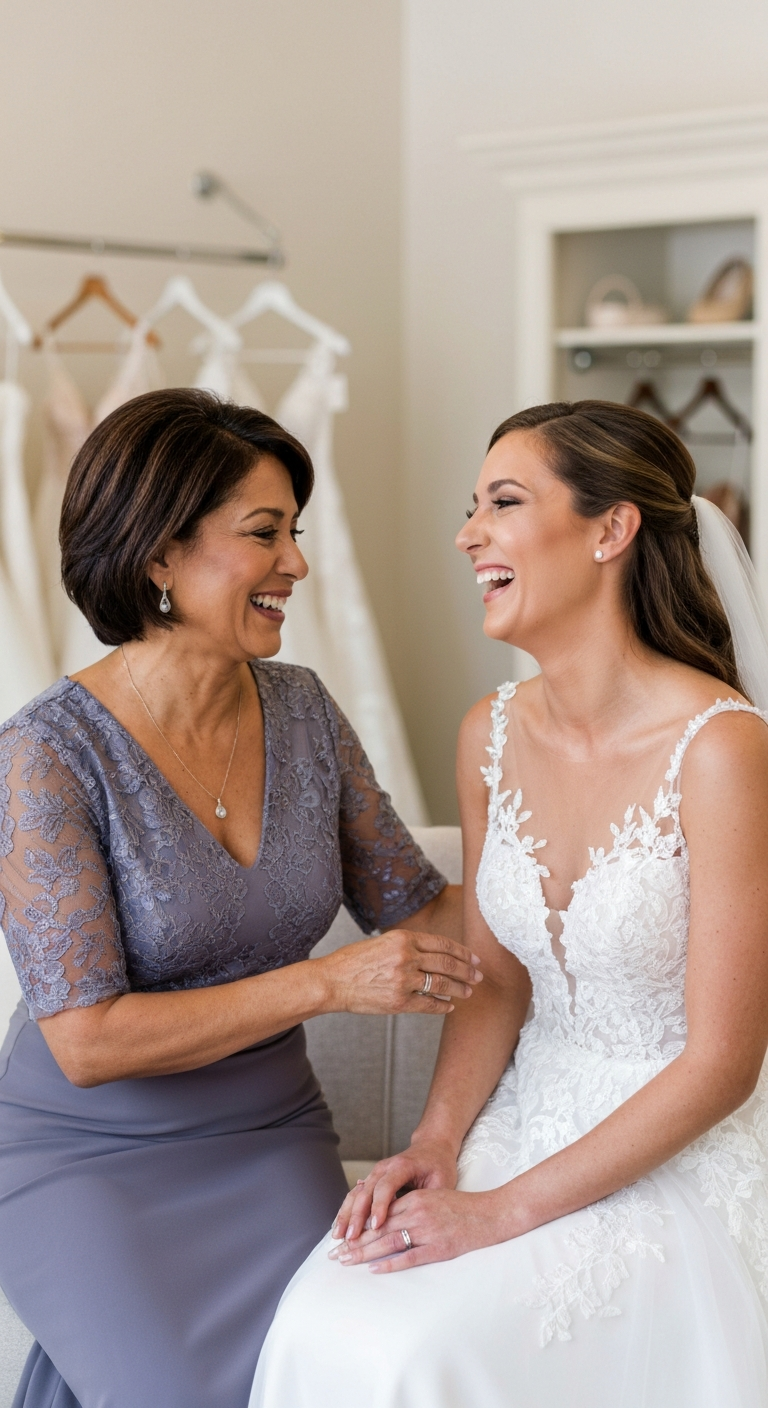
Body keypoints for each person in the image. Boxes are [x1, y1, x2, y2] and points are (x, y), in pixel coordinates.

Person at [251, 400, 768, 1408]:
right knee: (328, 1318)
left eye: (504, 502)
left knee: (418, 1356)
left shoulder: (723, 749)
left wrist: (501, 1214)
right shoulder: (488, 731)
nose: (468, 534)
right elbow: (494, 982)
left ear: (611, 530)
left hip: (674, 1148)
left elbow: (723, 1062)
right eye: (472, 507)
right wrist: (436, 1145)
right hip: (518, 1118)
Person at [0, 388, 475, 1408]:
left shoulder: (304, 710)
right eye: (265, 533)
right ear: (158, 555)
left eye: (295, 532)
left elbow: (419, 907)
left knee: (316, 1376)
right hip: (88, 1154)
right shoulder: (44, 753)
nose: (296, 563)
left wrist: (590, 892)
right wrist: (326, 984)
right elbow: (85, 1041)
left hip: (266, 1136)